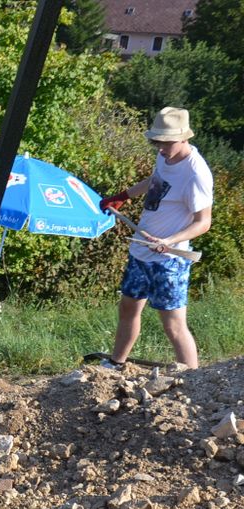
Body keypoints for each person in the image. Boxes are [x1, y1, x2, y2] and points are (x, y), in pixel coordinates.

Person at [99, 107, 213, 370]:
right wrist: (124, 196)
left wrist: (170, 241)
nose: (160, 148)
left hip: (169, 261)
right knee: (128, 309)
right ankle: (116, 364)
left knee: (173, 325)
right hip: (141, 252)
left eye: (166, 142)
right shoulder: (165, 157)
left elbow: (203, 223)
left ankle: (192, 380)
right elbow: (156, 180)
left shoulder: (196, 174)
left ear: (184, 137)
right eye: (157, 142)